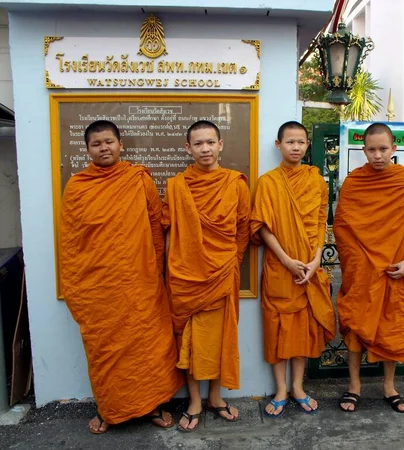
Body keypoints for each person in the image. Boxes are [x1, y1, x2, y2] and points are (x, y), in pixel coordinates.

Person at [60, 120, 182, 434]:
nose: (104, 148)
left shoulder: (137, 178)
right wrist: (75, 286)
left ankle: (153, 404)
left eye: (109, 142)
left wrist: (156, 270)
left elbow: (156, 225)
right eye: (97, 144)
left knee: (147, 346)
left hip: (140, 280)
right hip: (98, 287)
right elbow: (71, 242)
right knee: (104, 351)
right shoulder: (77, 186)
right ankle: (108, 409)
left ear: (120, 144)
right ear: (87, 149)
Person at [333, 122, 404, 414]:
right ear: (363, 150)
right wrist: (357, 263)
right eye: (372, 149)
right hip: (362, 269)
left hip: (393, 266)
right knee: (355, 326)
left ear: (394, 149)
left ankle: (389, 386)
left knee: (391, 325)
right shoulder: (353, 182)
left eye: (383, 149)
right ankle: (354, 385)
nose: (377, 155)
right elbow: (342, 226)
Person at [162, 120, 251, 432]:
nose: (205, 149)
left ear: (221, 144)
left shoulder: (235, 184)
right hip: (185, 276)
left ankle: (215, 396)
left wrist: (231, 261)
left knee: (218, 339)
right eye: (198, 144)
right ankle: (194, 400)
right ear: (188, 148)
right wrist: (172, 269)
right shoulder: (177, 186)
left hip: (221, 272)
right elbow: (170, 231)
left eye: (210, 142)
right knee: (187, 341)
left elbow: (243, 229)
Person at [250, 121, 336, 417]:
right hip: (279, 267)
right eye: (290, 142)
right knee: (277, 330)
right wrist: (286, 260)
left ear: (306, 146)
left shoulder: (316, 181)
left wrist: (315, 261)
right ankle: (281, 389)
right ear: (278, 145)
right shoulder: (268, 182)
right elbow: (261, 226)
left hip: (308, 270)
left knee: (301, 332)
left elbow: (320, 223)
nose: (296, 147)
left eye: (301, 142)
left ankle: (297, 386)